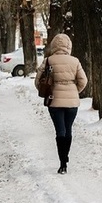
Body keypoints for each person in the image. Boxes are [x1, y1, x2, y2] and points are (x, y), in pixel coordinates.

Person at [35, 34, 87, 174]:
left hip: (54, 100)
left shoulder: (48, 61)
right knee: (68, 129)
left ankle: (62, 162)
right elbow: (83, 81)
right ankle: (65, 157)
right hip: (72, 101)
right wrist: (74, 90)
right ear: (68, 46)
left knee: (60, 131)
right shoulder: (75, 61)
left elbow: (38, 81)